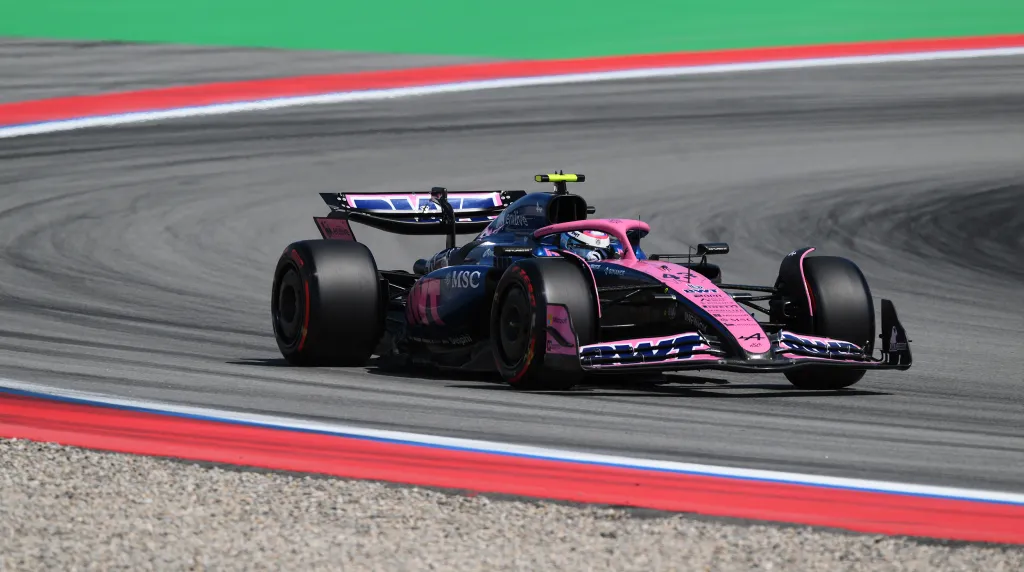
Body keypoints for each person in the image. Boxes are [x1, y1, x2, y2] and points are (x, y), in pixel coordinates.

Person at [559, 230, 624, 261]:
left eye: (600, 250)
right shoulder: (552, 253)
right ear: (569, 245)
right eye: (589, 249)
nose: (595, 256)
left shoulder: (618, 249)